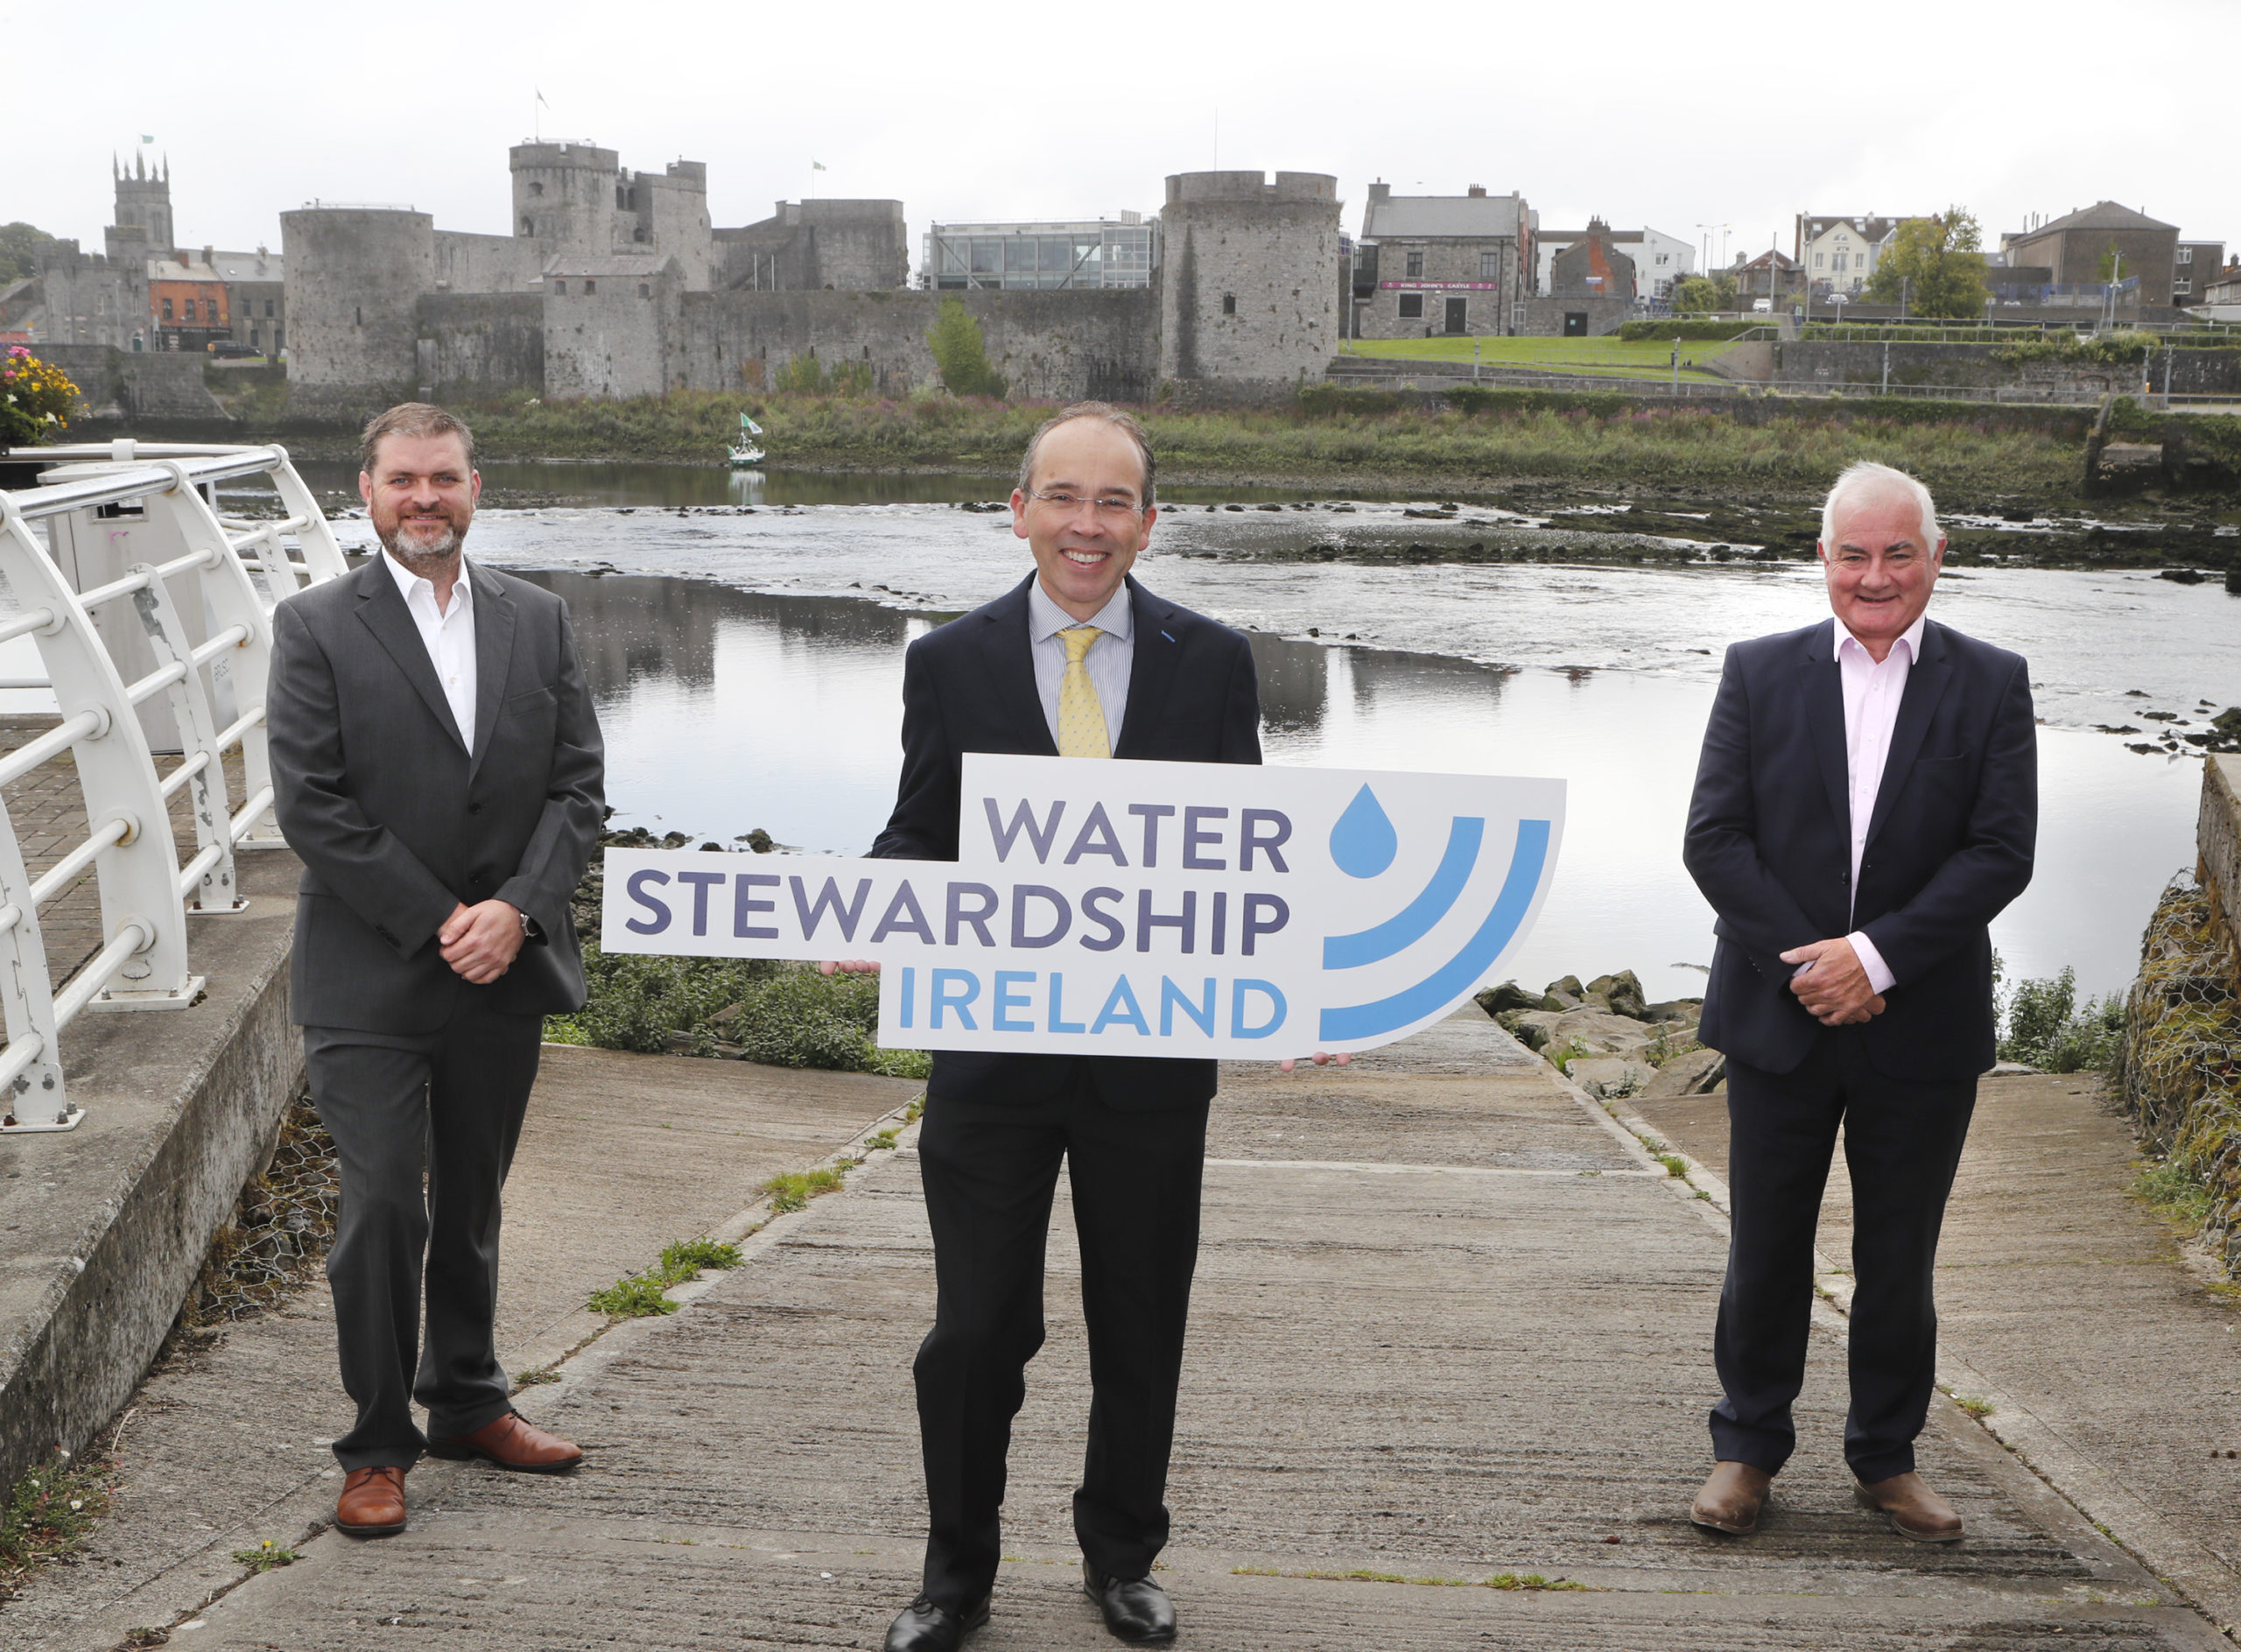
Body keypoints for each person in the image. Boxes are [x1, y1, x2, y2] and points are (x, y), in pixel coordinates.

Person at [858, 403, 1263, 1650]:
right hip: (993, 1056)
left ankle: (1122, 1552)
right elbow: (922, 828)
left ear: (1148, 521)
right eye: (1064, 498)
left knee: (1143, 1317)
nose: (1087, 526)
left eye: (1113, 503)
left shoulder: (1215, 659)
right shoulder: (950, 660)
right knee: (977, 1327)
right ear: (1018, 506)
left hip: (1152, 1055)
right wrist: (872, 901)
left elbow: (1247, 857)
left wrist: (1300, 984)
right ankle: (955, 1574)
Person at [1681, 460, 2035, 1543]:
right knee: (1765, 1245)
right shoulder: (1757, 671)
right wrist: (1816, 965)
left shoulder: (1991, 680)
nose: (1872, 575)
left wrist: (1873, 960)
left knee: (1900, 1256)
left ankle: (1885, 1459)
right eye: (1852, 553)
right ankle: (1745, 1450)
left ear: (1935, 558)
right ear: (1822, 559)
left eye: (1895, 553)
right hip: (1776, 1017)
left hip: (1919, 1025)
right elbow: (1714, 839)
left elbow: (1998, 854)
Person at [268, 403, 605, 1538]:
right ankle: (375, 1443)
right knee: (379, 1207)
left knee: (469, 1203)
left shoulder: (540, 619)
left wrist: (516, 909)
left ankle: (466, 1398)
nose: (425, 497)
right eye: (403, 479)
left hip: (502, 968)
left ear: (475, 486)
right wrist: (442, 916)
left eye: (444, 478)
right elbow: (311, 802)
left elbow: (578, 787)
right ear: (365, 491)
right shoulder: (314, 625)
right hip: (368, 972)